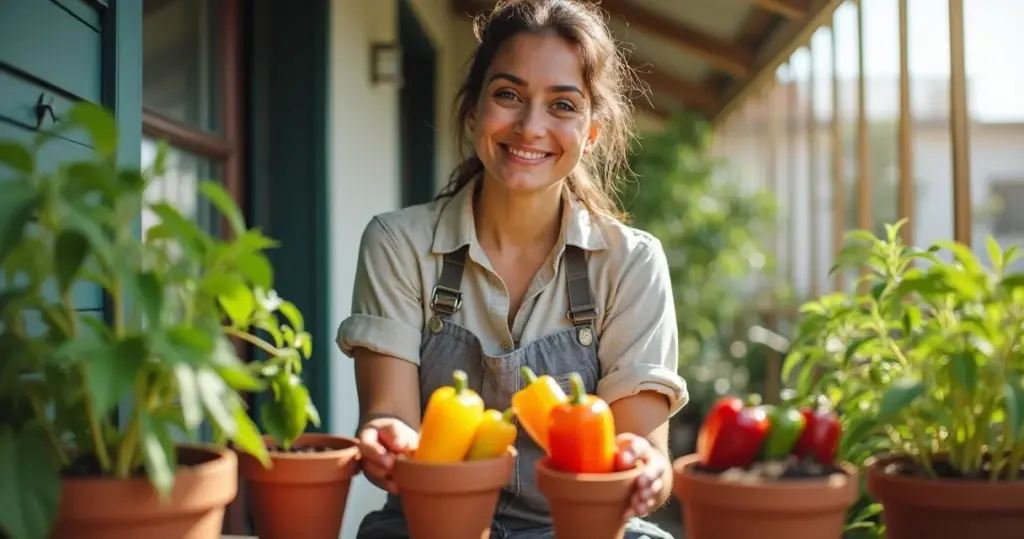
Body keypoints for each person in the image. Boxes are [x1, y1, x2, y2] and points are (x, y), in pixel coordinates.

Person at [337, 0, 688, 537]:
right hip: (432, 524)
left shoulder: (631, 262)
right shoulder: (398, 244)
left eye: (563, 105)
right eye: (509, 95)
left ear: (591, 133)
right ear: (474, 110)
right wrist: (386, 439)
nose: (530, 126)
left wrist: (642, 465)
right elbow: (391, 415)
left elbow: (644, 446)